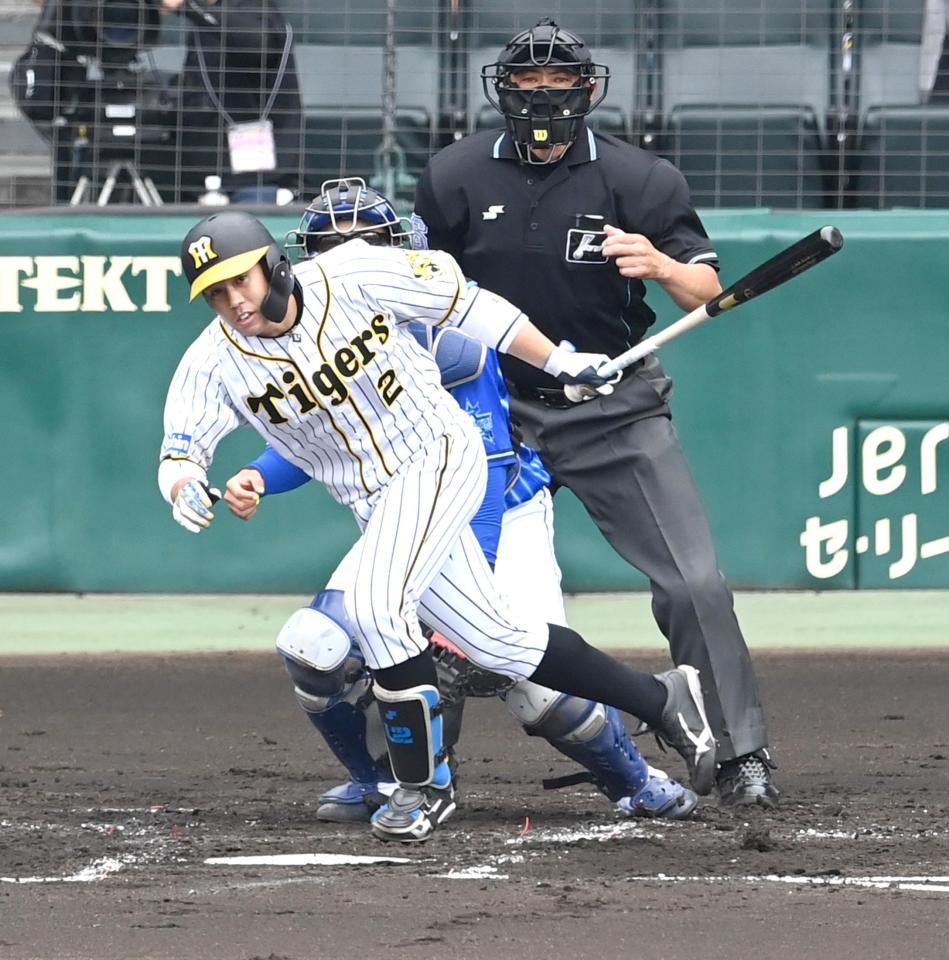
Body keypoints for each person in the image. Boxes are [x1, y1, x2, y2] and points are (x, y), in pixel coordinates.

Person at [158, 206, 717, 843]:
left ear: (273, 266)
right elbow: (179, 452)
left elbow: (471, 308)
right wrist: (183, 488)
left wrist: (559, 360)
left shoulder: (355, 273)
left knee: (375, 606)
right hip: (374, 501)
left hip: (439, 455)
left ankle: (423, 787)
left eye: (242, 280)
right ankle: (662, 699)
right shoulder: (213, 361)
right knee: (498, 643)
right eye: (216, 292)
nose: (235, 301)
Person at [411, 18, 778, 808]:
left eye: (557, 86)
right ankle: (415, 772)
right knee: (433, 589)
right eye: (526, 87)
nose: (542, 100)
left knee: (694, 586)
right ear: (502, 92)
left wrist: (661, 264)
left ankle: (741, 754)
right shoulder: (452, 175)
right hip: (491, 413)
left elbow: (706, 292)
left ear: (587, 91)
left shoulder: (643, 180)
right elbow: (421, 294)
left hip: (614, 408)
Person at [157, 0, 303, 203]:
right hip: (205, 180)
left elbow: (256, 42)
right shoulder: (206, 22)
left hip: (258, 184)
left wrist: (186, 7)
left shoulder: (257, 11)